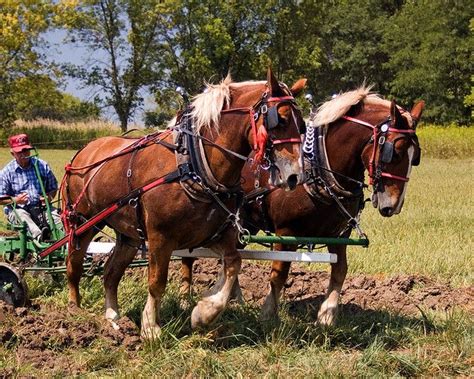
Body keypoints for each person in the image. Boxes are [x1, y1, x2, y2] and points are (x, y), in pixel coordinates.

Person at [0, 134, 61, 241]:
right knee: (23, 217)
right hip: (18, 209)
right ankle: (40, 238)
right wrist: (15, 200)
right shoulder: (6, 172)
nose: (24, 154)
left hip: (42, 208)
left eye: (26, 150)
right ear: (12, 153)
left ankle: (68, 243)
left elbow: (53, 187)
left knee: (59, 219)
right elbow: (1, 198)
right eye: (19, 152)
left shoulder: (42, 165)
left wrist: (49, 197)